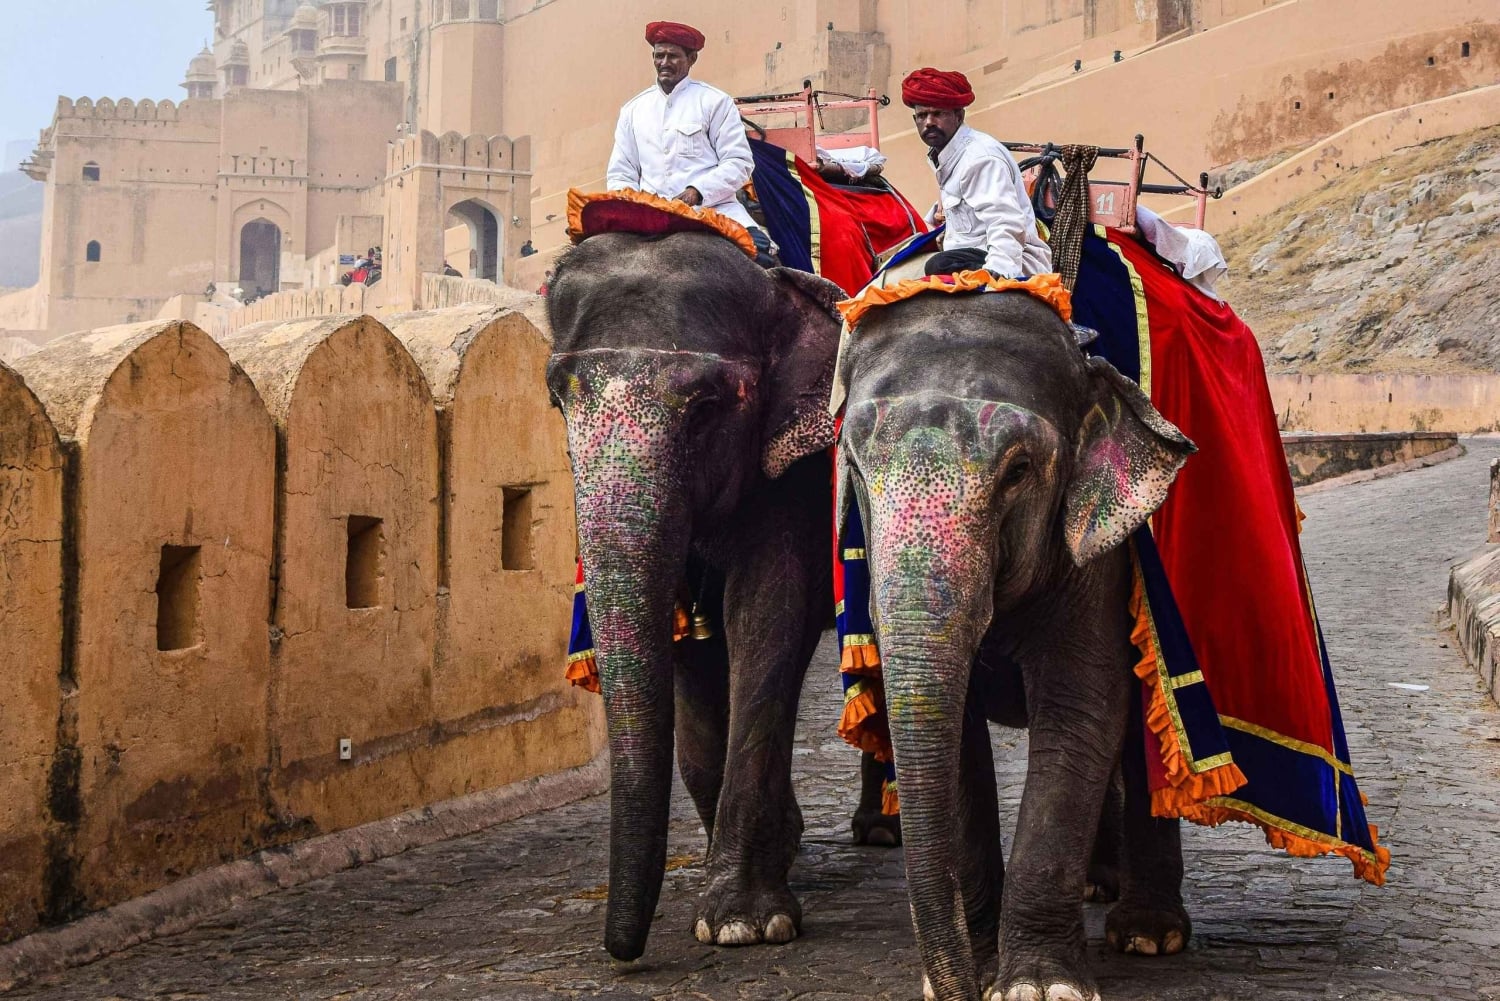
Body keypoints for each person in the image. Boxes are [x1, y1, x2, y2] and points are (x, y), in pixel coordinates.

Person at [606, 20, 779, 266]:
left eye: (673, 56)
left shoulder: (715, 102)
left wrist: (696, 192)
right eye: (659, 56)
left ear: (692, 58)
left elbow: (739, 162)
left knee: (763, 259)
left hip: (713, 211)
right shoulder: (633, 111)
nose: (664, 63)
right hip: (648, 219)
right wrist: (636, 206)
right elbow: (621, 173)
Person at [901, 67, 1051, 279]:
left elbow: (1005, 220)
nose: (929, 122)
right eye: (922, 115)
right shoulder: (945, 155)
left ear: (959, 116)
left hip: (1007, 260)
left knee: (940, 264)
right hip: (968, 254)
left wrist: (998, 273)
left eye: (938, 114)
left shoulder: (980, 158)